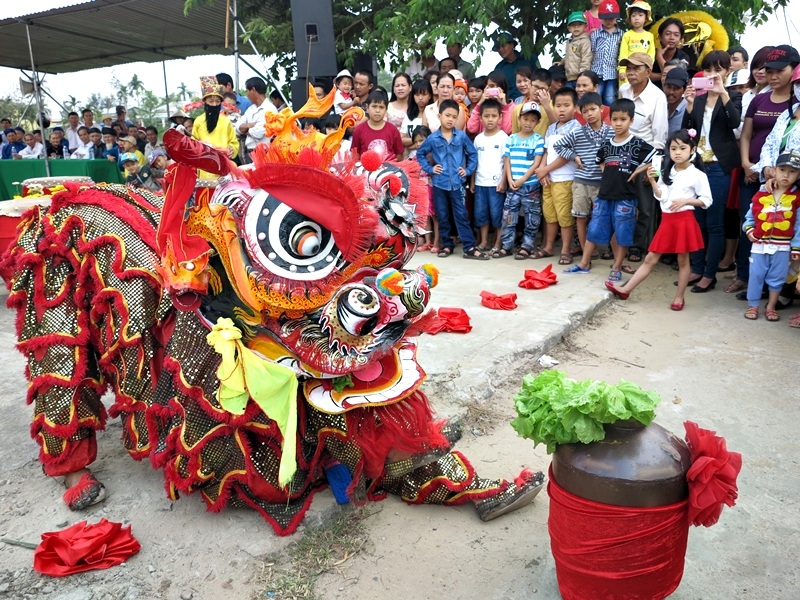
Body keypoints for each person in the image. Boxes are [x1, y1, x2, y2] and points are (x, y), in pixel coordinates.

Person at [606, 128, 711, 309]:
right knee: (651, 258)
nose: (677, 152)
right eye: (673, 148)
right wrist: (653, 180)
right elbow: (662, 197)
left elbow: (707, 200)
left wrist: (687, 201)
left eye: (682, 148)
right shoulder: (667, 171)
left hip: (685, 220)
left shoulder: (698, 175)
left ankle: (679, 297)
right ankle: (626, 289)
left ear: (692, 150)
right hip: (668, 221)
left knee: (683, 260)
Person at [731, 45, 799, 297]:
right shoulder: (759, 98)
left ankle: (777, 290)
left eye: (779, 71)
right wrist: (751, 165)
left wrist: (775, 173)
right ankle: (746, 279)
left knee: (781, 230)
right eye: (768, 71)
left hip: (785, 179)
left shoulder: (796, 103)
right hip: (757, 173)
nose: (772, 76)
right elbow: (749, 135)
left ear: (794, 71)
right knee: (750, 222)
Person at [565, 98, 656, 278]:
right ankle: (584, 263)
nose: (618, 123)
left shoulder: (636, 143)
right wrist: (607, 173)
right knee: (594, 229)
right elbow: (599, 160)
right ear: (610, 120)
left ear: (631, 121)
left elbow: (656, 156)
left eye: (623, 119)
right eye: (614, 119)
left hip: (626, 197)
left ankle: (617, 267)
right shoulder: (607, 144)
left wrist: (638, 171)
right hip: (604, 195)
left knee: (622, 232)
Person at [681, 50, 742, 293]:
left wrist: (723, 93)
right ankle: (697, 268)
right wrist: (688, 104)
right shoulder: (697, 99)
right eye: (708, 70)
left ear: (727, 71)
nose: (713, 74)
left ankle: (709, 274)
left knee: (715, 223)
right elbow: (688, 131)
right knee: (698, 221)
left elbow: (734, 123)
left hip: (718, 167)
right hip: (697, 166)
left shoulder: (734, 97)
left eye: (718, 69)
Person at [416, 99, 485, 259]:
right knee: (443, 215)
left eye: (454, 117)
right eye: (447, 115)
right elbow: (420, 154)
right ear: (440, 116)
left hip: (457, 184)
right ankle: (447, 245)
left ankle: (469, 247)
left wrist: (467, 170)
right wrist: (430, 168)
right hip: (439, 184)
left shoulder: (461, 136)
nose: (450, 119)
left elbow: (473, 154)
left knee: (461, 215)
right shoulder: (433, 139)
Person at [618, 52, 668, 263]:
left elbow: (660, 137)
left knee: (645, 208)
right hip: (622, 155)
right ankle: (620, 245)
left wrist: (652, 169)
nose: (631, 72)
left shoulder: (657, 97)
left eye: (636, 68)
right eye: (628, 68)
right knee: (622, 204)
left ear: (648, 71)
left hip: (646, 157)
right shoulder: (623, 90)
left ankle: (639, 248)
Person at [554, 92, 614, 257]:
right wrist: (574, 156)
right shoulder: (578, 133)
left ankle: (608, 249)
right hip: (581, 182)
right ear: (581, 113)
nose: (590, 114)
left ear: (601, 109)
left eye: (593, 109)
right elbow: (559, 146)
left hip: (602, 183)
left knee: (603, 217)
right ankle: (587, 251)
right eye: (585, 111)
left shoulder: (611, 132)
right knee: (581, 218)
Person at [742, 150, 800, 321]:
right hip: (759, 245)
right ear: (774, 171)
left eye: (792, 171)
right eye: (782, 170)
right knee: (756, 274)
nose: (786, 175)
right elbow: (749, 218)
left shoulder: (797, 197)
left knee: (777, 277)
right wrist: (750, 230)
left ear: (798, 175)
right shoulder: (761, 193)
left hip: (783, 246)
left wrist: (796, 247)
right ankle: (753, 305)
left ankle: (771, 306)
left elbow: (798, 226)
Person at [534, 87, 582, 263]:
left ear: (575, 107)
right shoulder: (552, 127)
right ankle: (548, 246)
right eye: (558, 105)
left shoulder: (576, 128)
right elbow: (547, 151)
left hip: (565, 179)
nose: (561, 109)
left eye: (566, 105)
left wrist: (545, 169)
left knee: (565, 216)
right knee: (550, 214)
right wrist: (543, 170)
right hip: (549, 179)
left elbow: (566, 156)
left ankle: (565, 249)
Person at [496, 101, 545, 259]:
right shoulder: (511, 139)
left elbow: (536, 163)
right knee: (509, 216)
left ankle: (527, 246)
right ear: (519, 119)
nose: (528, 123)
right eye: (526, 119)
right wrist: (510, 179)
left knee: (532, 217)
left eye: (533, 120)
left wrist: (523, 179)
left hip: (530, 186)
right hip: (513, 185)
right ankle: (507, 245)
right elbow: (507, 160)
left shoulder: (538, 140)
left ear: (537, 122)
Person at [470, 99, 508, 255]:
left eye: (494, 116)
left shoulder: (503, 137)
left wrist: (503, 181)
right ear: (481, 118)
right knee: (481, 214)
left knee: (497, 214)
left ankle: (498, 242)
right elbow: (474, 162)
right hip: (480, 183)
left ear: (500, 118)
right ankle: (484, 241)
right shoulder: (478, 139)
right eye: (487, 116)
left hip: (496, 184)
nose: (490, 119)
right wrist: (472, 181)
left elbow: (507, 162)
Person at [192, 76, 239, 178]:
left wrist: (231, 149)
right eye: (211, 101)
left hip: (224, 168)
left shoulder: (226, 121)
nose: (214, 104)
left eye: (217, 102)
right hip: (205, 170)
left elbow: (234, 142)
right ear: (205, 102)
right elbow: (193, 145)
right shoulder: (198, 121)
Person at [351, 91, 405, 161]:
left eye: (381, 107)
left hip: (388, 171)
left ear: (386, 110)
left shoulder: (393, 130)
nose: (377, 110)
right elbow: (355, 155)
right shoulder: (359, 130)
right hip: (365, 170)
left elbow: (399, 155)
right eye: (374, 106)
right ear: (367, 107)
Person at [237, 76, 277, 164]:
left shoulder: (269, 109)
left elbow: (258, 133)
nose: (246, 95)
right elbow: (237, 128)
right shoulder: (250, 109)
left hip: (264, 153)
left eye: (247, 91)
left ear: (253, 90)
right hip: (250, 153)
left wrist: (245, 129)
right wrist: (252, 125)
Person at [590, 0, 623, 106]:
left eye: (611, 18)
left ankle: (611, 119)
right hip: (596, 71)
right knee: (596, 96)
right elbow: (592, 52)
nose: (608, 21)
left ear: (616, 18)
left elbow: (621, 54)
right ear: (600, 17)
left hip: (612, 72)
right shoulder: (595, 34)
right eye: (605, 18)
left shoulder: (622, 34)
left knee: (610, 97)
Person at [467, 71, 515, 136]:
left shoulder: (512, 107)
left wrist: (504, 106)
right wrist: (479, 104)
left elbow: (507, 130)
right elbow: (471, 128)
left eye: (498, 87)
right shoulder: (482, 106)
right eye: (491, 86)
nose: (494, 89)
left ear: (503, 88)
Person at [618, 1, 655, 85]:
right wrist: (622, 70)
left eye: (640, 15)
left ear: (646, 18)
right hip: (628, 70)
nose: (636, 18)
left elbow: (651, 54)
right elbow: (623, 53)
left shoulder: (649, 36)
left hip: (643, 70)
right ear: (630, 18)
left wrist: (648, 67)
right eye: (633, 15)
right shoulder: (627, 35)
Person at [492, 31, 536, 100]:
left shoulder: (529, 59)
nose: (500, 49)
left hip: (531, 102)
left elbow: (540, 78)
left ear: (512, 45)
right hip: (509, 106)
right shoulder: (499, 68)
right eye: (498, 47)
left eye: (503, 45)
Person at [651, 18, 691, 85]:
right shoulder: (651, 53)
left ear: (680, 39)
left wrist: (659, 57)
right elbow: (643, 75)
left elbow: (676, 76)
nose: (672, 37)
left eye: (676, 35)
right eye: (668, 34)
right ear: (660, 37)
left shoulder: (683, 57)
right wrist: (666, 75)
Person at [400, 79, 434, 152]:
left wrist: (411, 146)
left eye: (424, 94)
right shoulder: (409, 115)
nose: (420, 98)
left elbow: (430, 140)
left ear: (430, 95)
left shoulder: (434, 114)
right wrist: (418, 141)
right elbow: (401, 140)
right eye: (417, 95)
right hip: (410, 158)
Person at [563, 12, 593, 88]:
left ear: (585, 26)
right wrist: (562, 61)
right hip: (569, 78)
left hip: (579, 78)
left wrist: (582, 76)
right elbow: (570, 56)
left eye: (580, 24)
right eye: (573, 25)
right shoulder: (569, 41)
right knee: (568, 98)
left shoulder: (585, 41)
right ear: (569, 28)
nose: (576, 27)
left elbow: (586, 59)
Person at [663, 67, 689, 135]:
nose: (671, 92)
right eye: (668, 87)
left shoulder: (688, 109)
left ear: (685, 88)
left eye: (676, 88)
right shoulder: (659, 105)